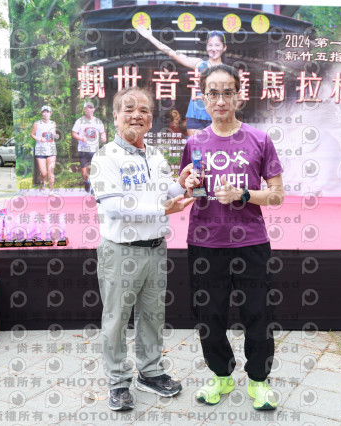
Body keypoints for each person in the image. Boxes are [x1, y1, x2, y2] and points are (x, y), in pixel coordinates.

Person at [180, 64, 285, 410]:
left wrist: (243, 194)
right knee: (209, 315)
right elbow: (189, 188)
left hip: (251, 242)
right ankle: (221, 375)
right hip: (205, 242)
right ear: (203, 98)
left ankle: (258, 380)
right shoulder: (194, 142)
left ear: (238, 96)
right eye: (213, 93)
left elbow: (277, 195)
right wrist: (188, 183)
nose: (221, 100)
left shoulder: (259, 139)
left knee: (258, 313)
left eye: (228, 92)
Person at [90, 87, 195, 411]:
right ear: (115, 116)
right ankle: (118, 382)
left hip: (155, 249)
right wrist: (163, 209)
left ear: (151, 118)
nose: (137, 115)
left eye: (144, 110)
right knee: (116, 320)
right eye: (129, 109)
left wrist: (181, 183)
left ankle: (150, 372)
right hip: (120, 251)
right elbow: (116, 208)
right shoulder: (105, 157)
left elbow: (165, 193)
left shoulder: (156, 156)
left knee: (152, 315)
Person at [137, 25, 238, 137]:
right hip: (195, 115)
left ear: (224, 47)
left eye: (217, 45)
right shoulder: (199, 64)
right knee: (196, 147)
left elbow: (237, 96)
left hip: (217, 116)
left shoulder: (228, 71)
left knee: (215, 147)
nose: (213, 48)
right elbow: (172, 53)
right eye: (210, 45)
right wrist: (150, 37)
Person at [72, 101, 106, 192]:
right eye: (87, 108)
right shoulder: (79, 121)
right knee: (84, 172)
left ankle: (93, 187)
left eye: (91, 108)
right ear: (84, 109)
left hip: (94, 149)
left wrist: (103, 137)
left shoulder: (98, 121)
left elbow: (102, 132)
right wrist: (81, 138)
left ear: (93, 109)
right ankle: (87, 181)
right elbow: (74, 133)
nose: (89, 110)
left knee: (95, 169)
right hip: (83, 149)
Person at [30, 105, 58, 191]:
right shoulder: (37, 123)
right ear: (42, 113)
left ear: (50, 113)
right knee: (44, 173)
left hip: (51, 150)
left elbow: (54, 134)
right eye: (44, 112)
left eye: (47, 112)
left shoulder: (53, 123)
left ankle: (51, 191)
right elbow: (32, 134)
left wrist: (56, 135)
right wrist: (39, 139)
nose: (45, 114)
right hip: (40, 150)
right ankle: (43, 183)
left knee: (51, 172)